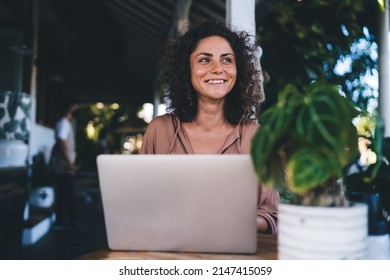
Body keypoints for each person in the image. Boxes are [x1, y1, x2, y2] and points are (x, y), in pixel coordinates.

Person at [140, 20, 279, 234]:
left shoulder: (255, 136)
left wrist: (225, 224)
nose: (217, 69)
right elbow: (142, 207)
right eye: (205, 60)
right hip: (171, 254)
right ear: (187, 69)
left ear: (237, 69)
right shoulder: (159, 131)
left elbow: (270, 215)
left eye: (227, 60)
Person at [50, 97, 79, 230]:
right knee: (68, 196)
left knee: (63, 195)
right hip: (64, 167)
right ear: (71, 107)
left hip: (63, 166)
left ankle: (62, 222)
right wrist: (70, 164)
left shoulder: (65, 123)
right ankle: (70, 223)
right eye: (75, 106)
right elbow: (61, 143)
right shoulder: (63, 123)